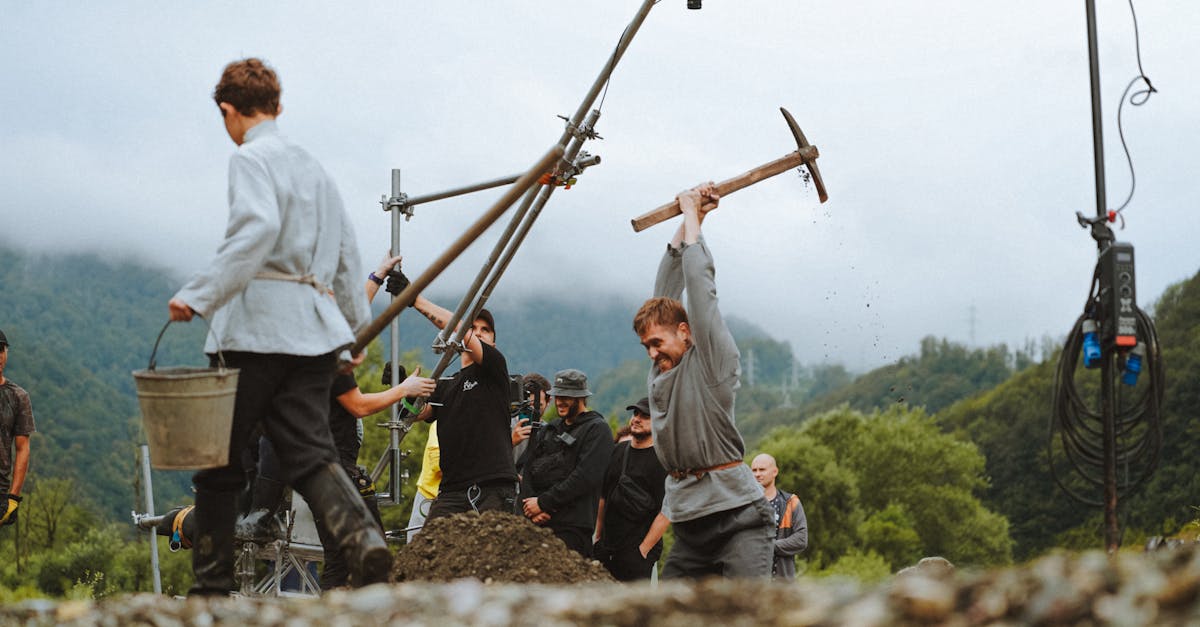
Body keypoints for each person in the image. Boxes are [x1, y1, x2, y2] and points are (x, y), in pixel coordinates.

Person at [167, 58, 389, 593]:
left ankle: (211, 589)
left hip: (254, 331)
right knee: (310, 452)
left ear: (228, 110)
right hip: (312, 333)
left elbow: (256, 229)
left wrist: (198, 295)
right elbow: (346, 251)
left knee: (219, 460)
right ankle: (362, 537)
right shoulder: (316, 169)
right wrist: (354, 329)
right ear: (278, 106)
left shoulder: (249, 159)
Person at [633, 182, 774, 578]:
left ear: (685, 332)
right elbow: (666, 289)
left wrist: (692, 215)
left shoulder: (712, 360)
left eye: (657, 343)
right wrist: (691, 215)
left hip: (739, 518)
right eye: (646, 346)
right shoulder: (662, 369)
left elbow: (699, 289)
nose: (651, 353)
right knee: (673, 609)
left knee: (748, 610)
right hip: (690, 523)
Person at [412, 296, 517, 522]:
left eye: (485, 330)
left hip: (492, 487)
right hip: (452, 491)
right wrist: (406, 390)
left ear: (493, 343)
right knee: (430, 544)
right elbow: (417, 413)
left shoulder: (495, 368)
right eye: (473, 328)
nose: (478, 333)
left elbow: (457, 327)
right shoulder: (446, 385)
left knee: (491, 546)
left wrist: (415, 299)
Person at [520, 369, 614, 557]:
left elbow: (585, 477)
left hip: (572, 528)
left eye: (566, 397)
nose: (560, 402)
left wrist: (544, 503)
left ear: (581, 398)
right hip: (536, 524)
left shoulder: (597, 430)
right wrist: (531, 507)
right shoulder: (550, 429)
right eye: (558, 396)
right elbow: (527, 468)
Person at [593, 397, 669, 581]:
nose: (636, 419)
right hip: (606, 549)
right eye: (635, 414)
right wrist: (598, 537)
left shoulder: (662, 461)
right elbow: (604, 496)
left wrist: (643, 550)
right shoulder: (618, 450)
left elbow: (667, 511)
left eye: (645, 416)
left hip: (636, 555)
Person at [750, 453, 808, 580]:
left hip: (783, 583)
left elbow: (801, 539)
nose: (757, 474)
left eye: (762, 469)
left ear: (775, 472)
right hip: (753, 584)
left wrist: (768, 546)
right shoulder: (745, 504)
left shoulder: (791, 502)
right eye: (754, 470)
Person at [0, 329, 34, 528]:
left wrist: (13, 497)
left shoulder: (18, 397)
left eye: (1, 349)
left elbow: (22, 448)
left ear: (7, 353)